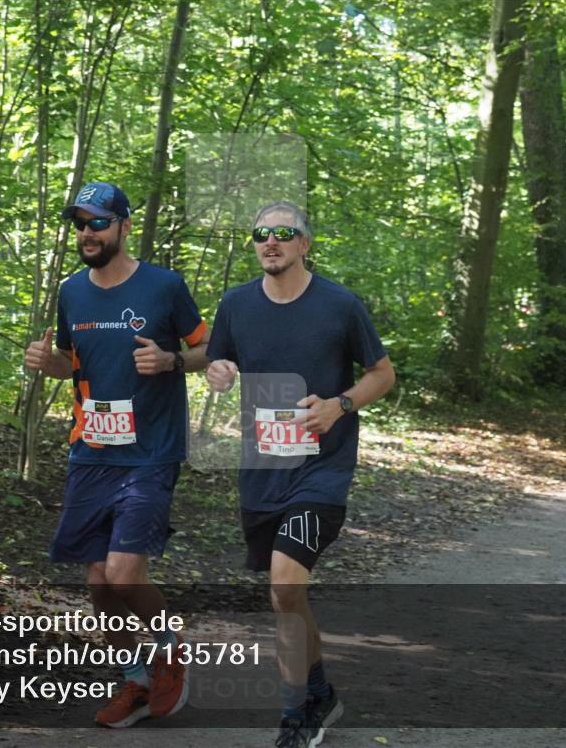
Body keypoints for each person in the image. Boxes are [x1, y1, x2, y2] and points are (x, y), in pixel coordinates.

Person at [205, 201, 396, 748]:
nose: (271, 242)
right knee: (289, 595)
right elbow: (220, 362)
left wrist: (341, 403)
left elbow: (382, 374)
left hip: (322, 470)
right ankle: (319, 692)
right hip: (262, 470)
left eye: (283, 233)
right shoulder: (236, 304)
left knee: (285, 584)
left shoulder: (339, 304)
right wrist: (219, 370)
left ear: (304, 244)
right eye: (261, 234)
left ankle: (295, 717)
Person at [24, 181, 210, 727]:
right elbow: (70, 362)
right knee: (99, 584)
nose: (87, 232)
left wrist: (173, 361)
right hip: (90, 451)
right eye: (80, 223)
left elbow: (208, 347)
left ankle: (170, 649)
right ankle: (135, 681)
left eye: (99, 222)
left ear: (124, 226)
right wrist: (46, 361)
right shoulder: (70, 292)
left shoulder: (164, 286)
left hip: (151, 450)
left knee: (126, 572)